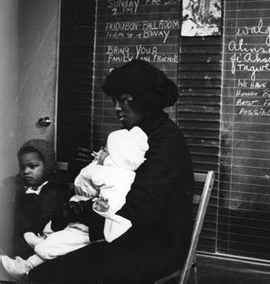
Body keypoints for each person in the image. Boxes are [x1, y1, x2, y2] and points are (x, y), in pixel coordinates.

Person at [28, 59, 195, 283]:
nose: (117, 109)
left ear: (146, 101)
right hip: (125, 232)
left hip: (153, 243)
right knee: (43, 260)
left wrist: (81, 214)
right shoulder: (135, 135)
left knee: (46, 274)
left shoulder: (166, 141)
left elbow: (138, 212)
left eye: (124, 101)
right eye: (115, 101)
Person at [1, 127, 149, 280]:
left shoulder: (117, 176)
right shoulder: (103, 168)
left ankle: (24, 266)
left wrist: (102, 206)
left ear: (115, 157)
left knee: (55, 246)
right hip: (78, 216)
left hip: (89, 226)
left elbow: (114, 199)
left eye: (105, 150)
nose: (100, 151)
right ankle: (44, 239)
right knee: (55, 231)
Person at [0, 139, 72, 260]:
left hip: (41, 243)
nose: (26, 171)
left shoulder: (57, 190)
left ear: (47, 166)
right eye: (22, 167)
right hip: (14, 239)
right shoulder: (15, 186)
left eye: (33, 166)